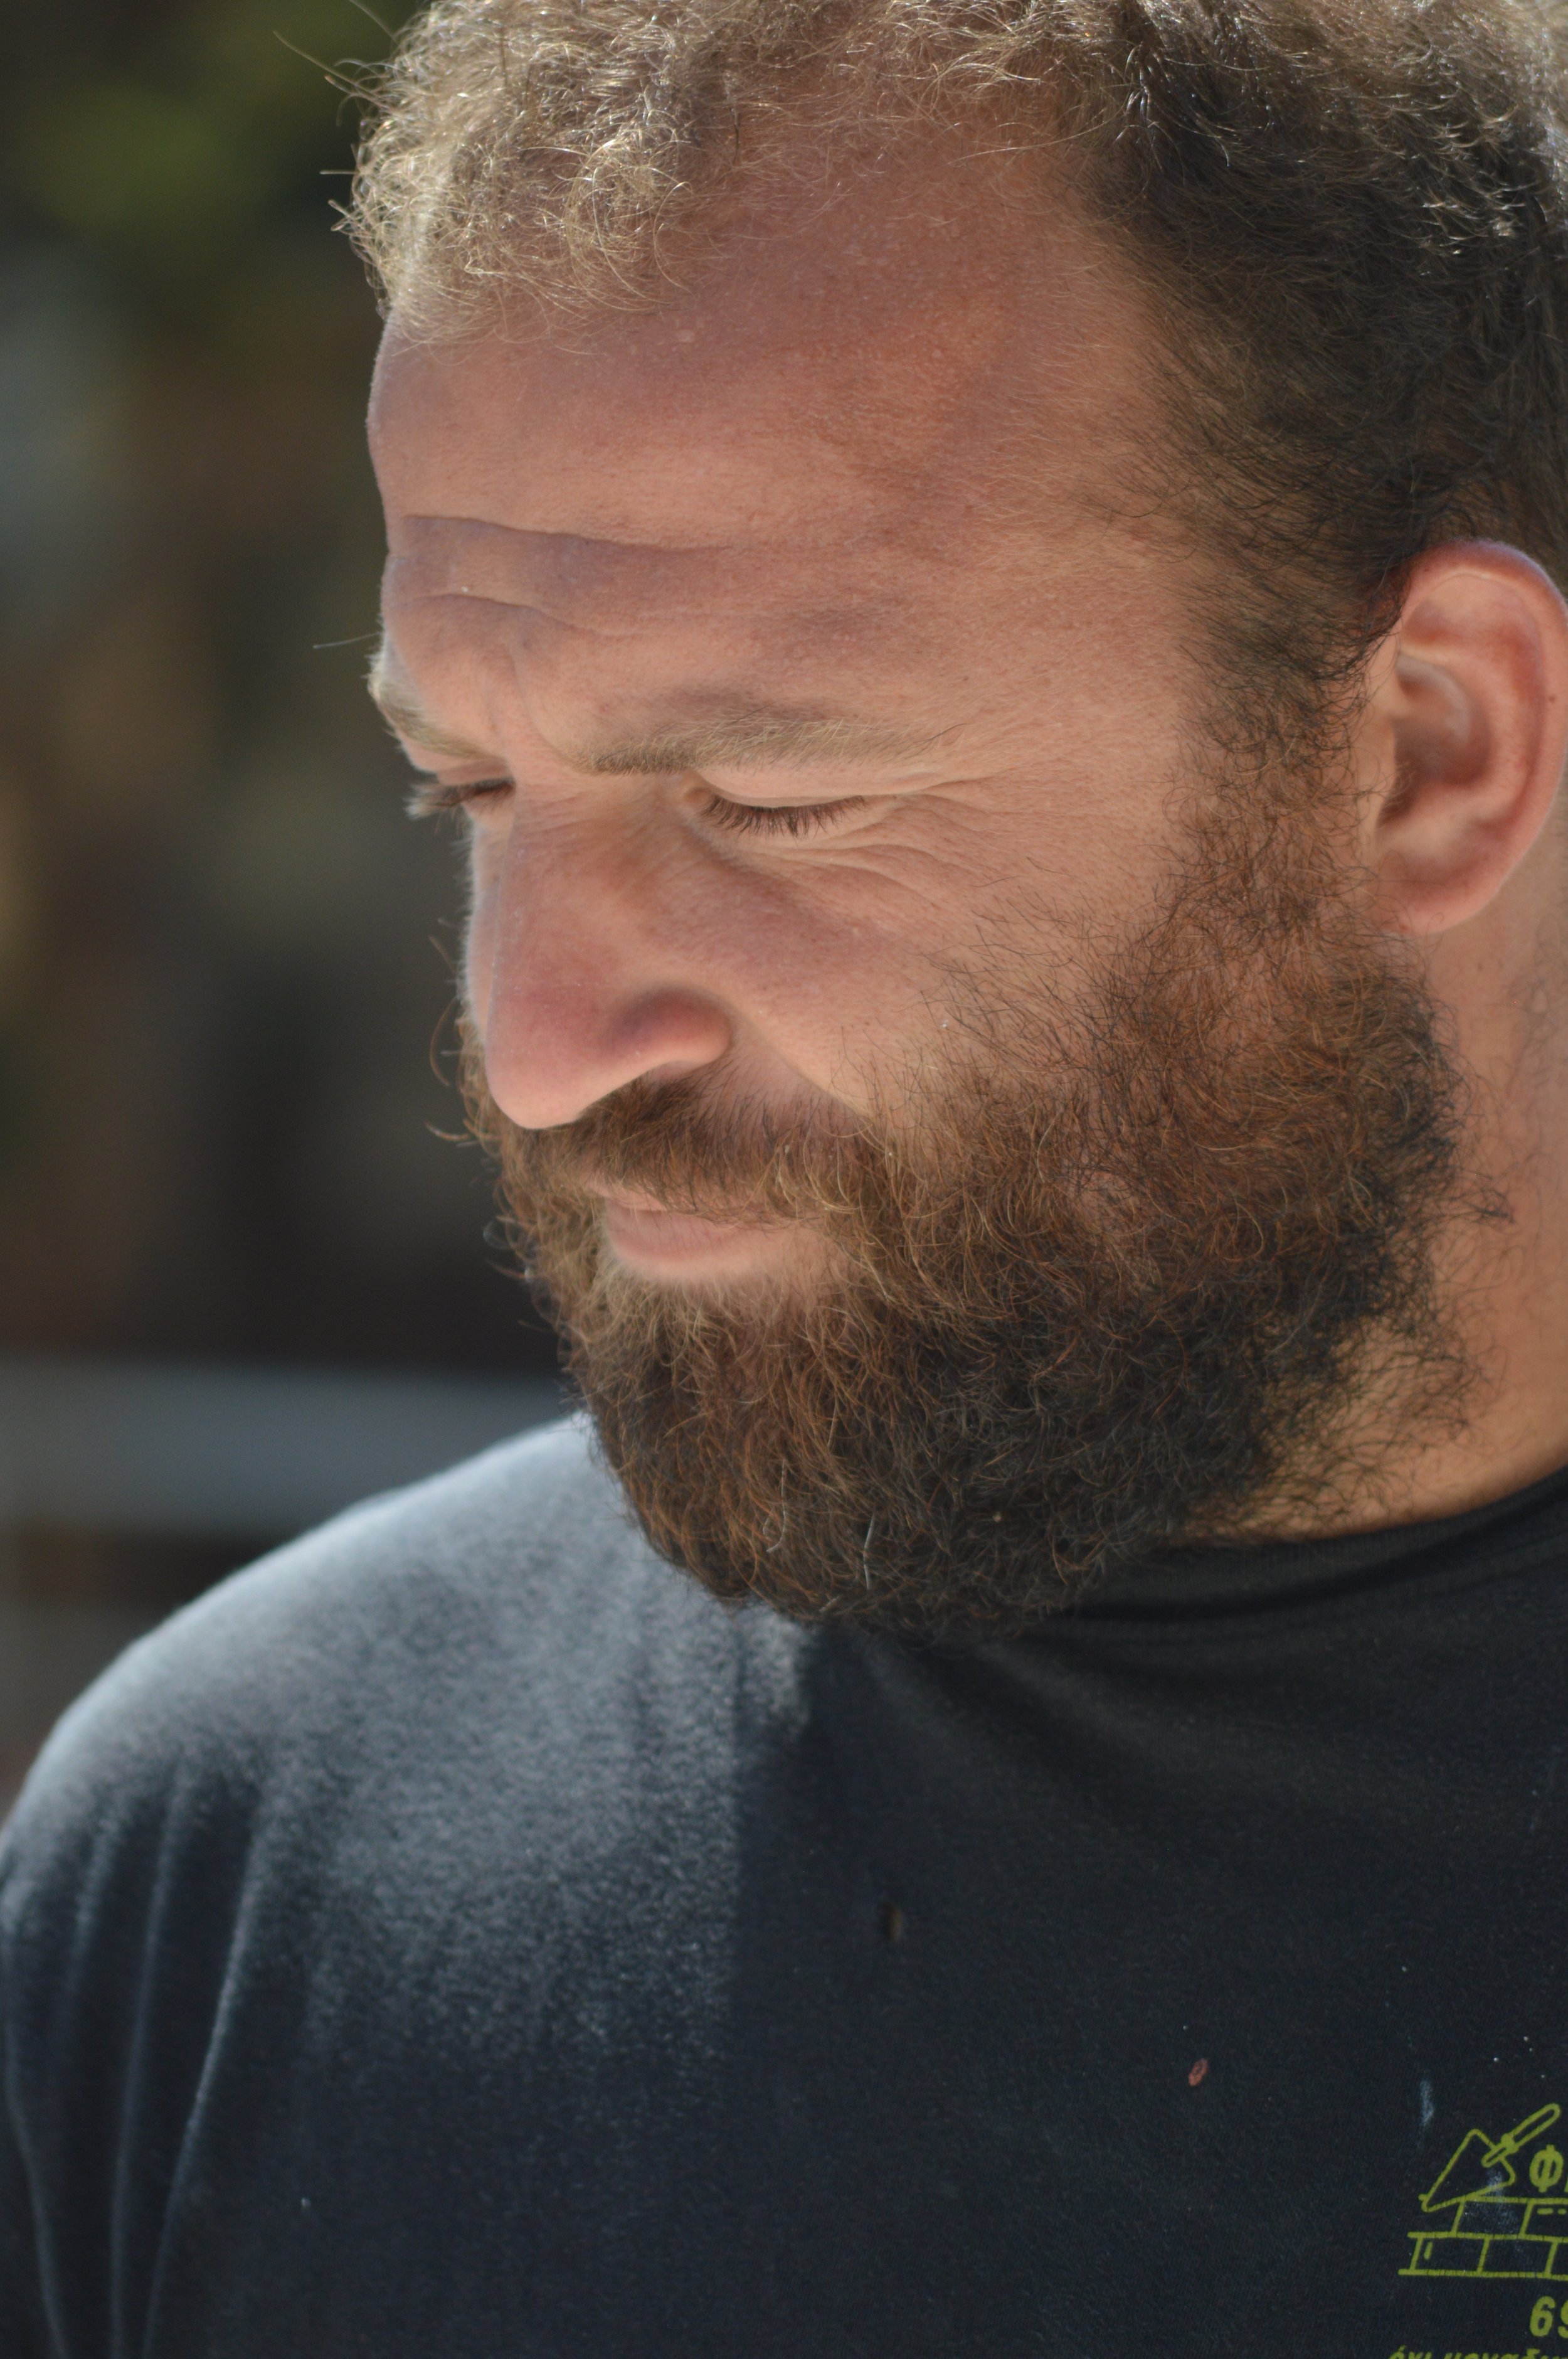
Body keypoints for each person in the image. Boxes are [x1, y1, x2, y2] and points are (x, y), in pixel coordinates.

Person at [8, 0, 1568, 2348]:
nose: (533, 1058)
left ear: (1428, 753)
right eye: (473, 796)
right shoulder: (233, 1876)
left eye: (764, 799)